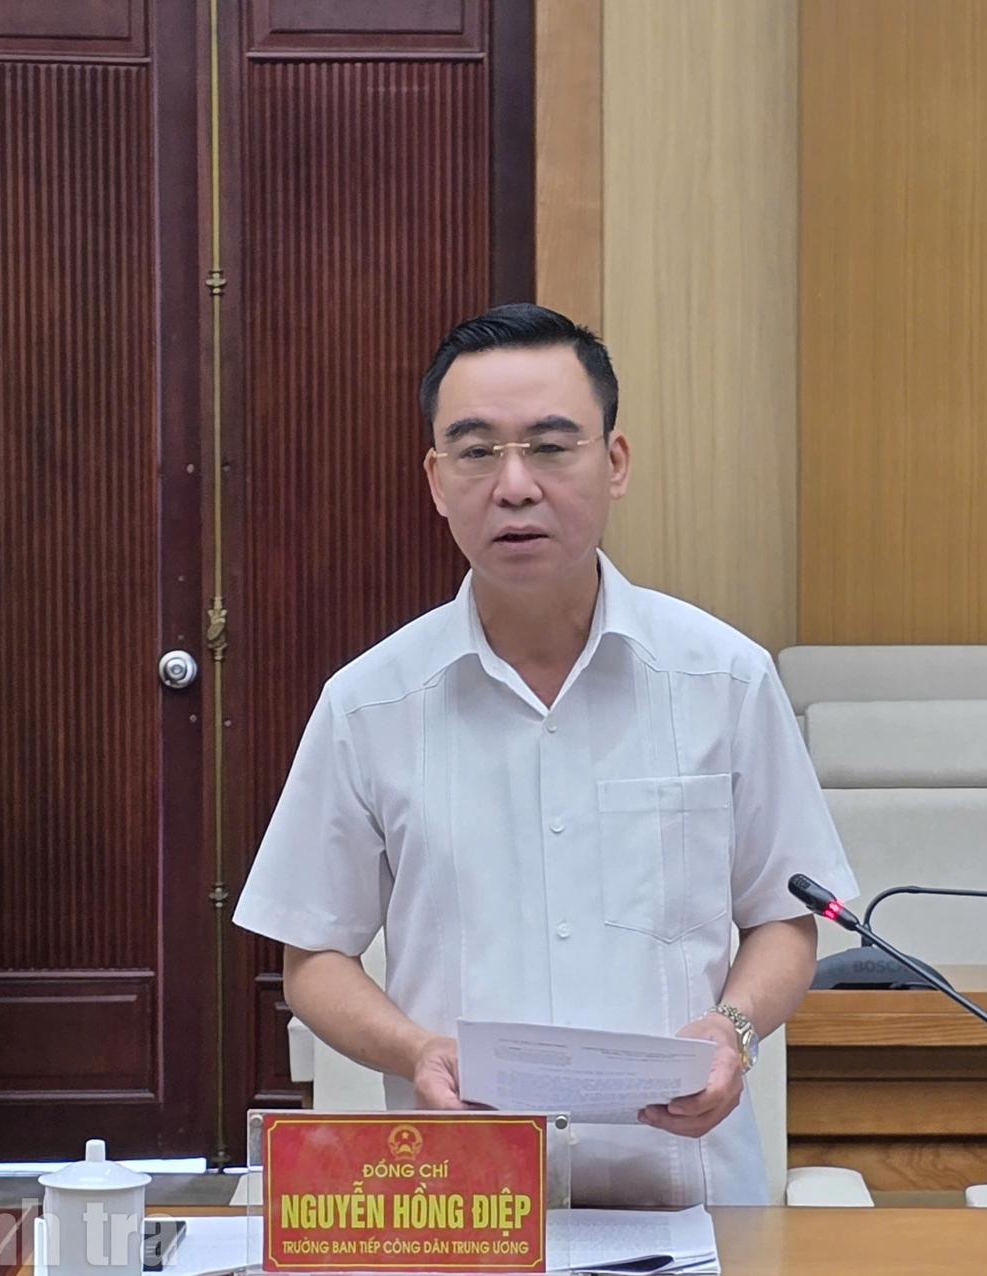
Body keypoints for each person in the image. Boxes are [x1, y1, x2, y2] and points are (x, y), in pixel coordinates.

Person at [233, 303, 857, 1206]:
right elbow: (314, 959)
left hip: (685, 1189)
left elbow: (783, 920)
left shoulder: (722, 677)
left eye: (552, 447)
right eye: (476, 451)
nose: (514, 485)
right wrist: (415, 1052)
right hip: (461, 1199)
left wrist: (731, 1028)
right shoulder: (368, 703)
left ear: (615, 463)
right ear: (436, 479)